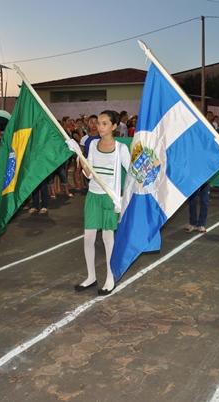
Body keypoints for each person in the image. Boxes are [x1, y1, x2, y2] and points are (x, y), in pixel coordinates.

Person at [71, 110, 130, 295]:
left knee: (107, 238)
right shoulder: (93, 144)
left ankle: (110, 278)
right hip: (93, 196)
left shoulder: (121, 149)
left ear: (113, 126)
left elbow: (132, 173)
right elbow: (88, 173)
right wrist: (78, 155)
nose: (100, 126)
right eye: (98, 123)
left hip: (110, 197)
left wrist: (122, 197)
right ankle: (91, 276)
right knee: (88, 237)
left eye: (105, 123)